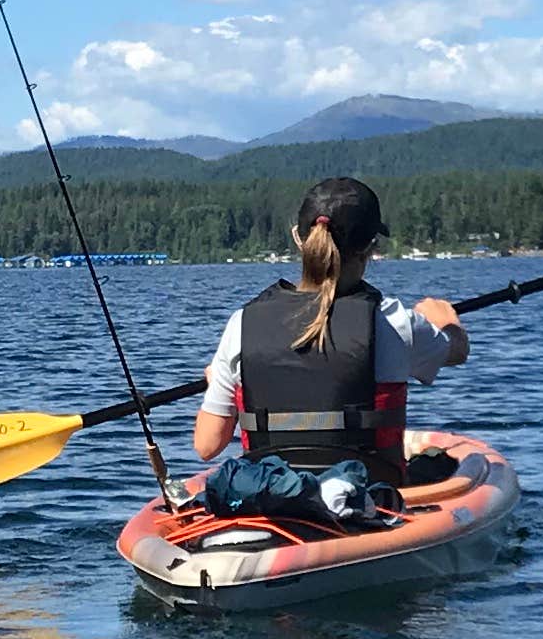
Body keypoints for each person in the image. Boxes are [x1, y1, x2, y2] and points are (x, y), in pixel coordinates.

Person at [189, 174, 468, 486]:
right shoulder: (394, 321)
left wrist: (222, 383)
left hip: (275, 495)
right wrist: (445, 321)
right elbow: (456, 351)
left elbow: (207, 445)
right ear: (371, 247)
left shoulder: (241, 325)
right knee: (438, 463)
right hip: (371, 498)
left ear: (299, 237)